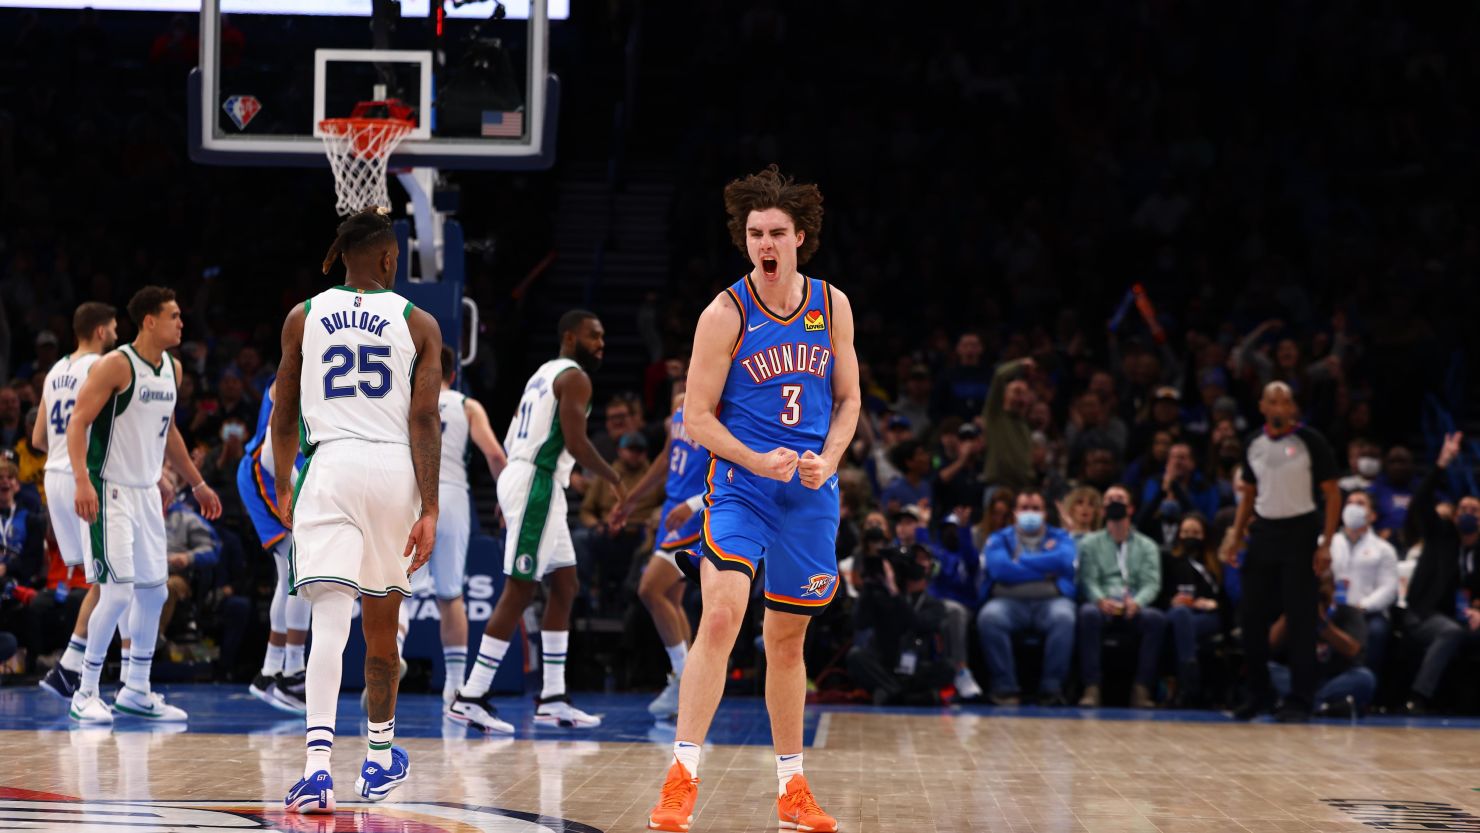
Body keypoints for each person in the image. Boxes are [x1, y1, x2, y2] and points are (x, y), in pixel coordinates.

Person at [646, 165, 857, 833]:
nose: (764, 242)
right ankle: (681, 776)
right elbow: (697, 417)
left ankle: (792, 787)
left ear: (801, 238)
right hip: (741, 487)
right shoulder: (725, 311)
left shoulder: (833, 304)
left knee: (787, 643)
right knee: (720, 615)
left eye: (776, 232)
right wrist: (752, 456)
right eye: (754, 232)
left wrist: (831, 456)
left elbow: (849, 400)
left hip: (809, 495)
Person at [271, 207, 443, 812]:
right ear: (391, 258)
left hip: (332, 465)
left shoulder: (304, 314)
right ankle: (377, 759)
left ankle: (317, 768)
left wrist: (284, 480)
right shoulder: (418, 320)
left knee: (328, 622)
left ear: (343, 258)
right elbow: (425, 418)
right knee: (380, 630)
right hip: (394, 468)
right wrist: (431, 506)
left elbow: (283, 407)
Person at [447, 310, 623, 734]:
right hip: (537, 485)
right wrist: (616, 479)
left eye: (603, 336)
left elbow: (513, 436)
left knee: (565, 584)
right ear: (570, 337)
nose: (601, 343)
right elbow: (577, 442)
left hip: (530, 482)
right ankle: (471, 696)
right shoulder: (575, 377)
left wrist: (507, 489)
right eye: (593, 335)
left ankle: (553, 697)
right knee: (520, 589)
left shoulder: (543, 373)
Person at [65, 287, 223, 723]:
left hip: (146, 492)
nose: (181, 323)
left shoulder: (172, 368)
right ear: (149, 321)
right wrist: (82, 481)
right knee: (115, 593)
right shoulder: (115, 364)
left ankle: (136, 689)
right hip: (107, 488)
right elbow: (77, 423)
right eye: (174, 316)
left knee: (153, 591)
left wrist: (197, 484)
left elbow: (168, 433)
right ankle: (85, 691)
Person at [1221, 381, 1340, 723]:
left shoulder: (1311, 442)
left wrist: (1326, 543)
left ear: (1292, 408)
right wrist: (1236, 535)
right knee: (1252, 616)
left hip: (1301, 532)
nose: (1277, 406)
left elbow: (1332, 495)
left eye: (1284, 401)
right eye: (1271, 400)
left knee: (1301, 617)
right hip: (1264, 532)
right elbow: (1248, 495)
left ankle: (1301, 699)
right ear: (1262, 406)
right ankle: (1259, 695)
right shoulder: (1253, 444)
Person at [404, 346, 508, 707]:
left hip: (413, 494)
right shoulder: (467, 406)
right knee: (451, 595)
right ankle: (454, 685)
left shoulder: (406, 401)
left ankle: (392, 660)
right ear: (454, 372)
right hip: (451, 495)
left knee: (397, 585)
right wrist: (507, 499)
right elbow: (495, 455)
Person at [35, 302, 118, 701]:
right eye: (115, 327)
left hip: (54, 476)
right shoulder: (99, 368)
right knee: (111, 580)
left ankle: (80, 671)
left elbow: (37, 438)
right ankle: (72, 673)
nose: (118, 334)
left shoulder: (54, 372)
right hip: (82, 477)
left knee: (105, 581)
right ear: (101, 331)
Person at [610, 392, 710, 720]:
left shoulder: (720, 414)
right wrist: (631, 499)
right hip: (672, 508)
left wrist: (692, 505)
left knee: (649, 590)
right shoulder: (679, 409)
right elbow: (666, 459)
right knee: (670, 598)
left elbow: (730, 475)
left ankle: (684, 679)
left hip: (692, 514)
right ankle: (689, 680)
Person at [237, 379, 311, 714]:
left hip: (275, 472)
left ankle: (271, 672)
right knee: (301, 569)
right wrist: (299, 495)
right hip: (267, 473)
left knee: (290, 574)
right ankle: (292, 672)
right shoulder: (292, 380)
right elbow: (270, 456)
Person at [1395, 432, 1480, 715]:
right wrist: (1441, 464)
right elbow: (1420, 502)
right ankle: (1418, 698)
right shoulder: (1440, 535)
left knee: (1458, 630)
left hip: (1465, 618)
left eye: (1475, 510)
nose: (1469, 514)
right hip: (1423, 614)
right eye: (1464, 509)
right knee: (1450, 632)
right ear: (1455, 516)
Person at [975, 489, 1077, 706]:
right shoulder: (998, 538)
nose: (1030, 513)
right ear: (1014, 513)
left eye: (1035, 509)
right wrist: (1046, 569)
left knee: (1064, 617)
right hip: (1009, 603)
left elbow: (1064, 561)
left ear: (1045, 513)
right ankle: (1005, 688)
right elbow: (1001, 570)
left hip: (1051, 602)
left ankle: (1051, 688)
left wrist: (1019, 563)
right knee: (989, 617)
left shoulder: (1060, 536)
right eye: (1024, 508)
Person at [1075, 485, 1166, 708]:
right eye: (1109, 500)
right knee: (1087, 613)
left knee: (1155, 619)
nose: (1115, 503)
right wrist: (1099, 600)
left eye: (1120, 499)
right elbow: (1088, 579)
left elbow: (1151, 582)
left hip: (1134, 604)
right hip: (1103, 603)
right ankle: (1091, 687)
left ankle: (1142, 688)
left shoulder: (1147, 546)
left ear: (1131, 508)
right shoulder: (1089, 543)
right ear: (1103, 510)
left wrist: (1138, 602)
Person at [845, 544, 954, 705]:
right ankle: (907, 696)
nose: (917, 564)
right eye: (915, 559)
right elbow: (859, 623)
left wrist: (895, 593)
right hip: (883, 666)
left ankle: (891, 692)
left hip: (915, 670)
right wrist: (869, 586)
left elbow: (917, 623)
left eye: (923, 560)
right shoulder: (881, 596)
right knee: (856, 656)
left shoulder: (934, 605)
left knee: (947, 668)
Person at [1268, 571, 1377, 717]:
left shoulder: (1349, 613)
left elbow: (1353, 650)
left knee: (1365, 677)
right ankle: (1325, 708)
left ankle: (1306, 704)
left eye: (1320, 587)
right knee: (1267, 669)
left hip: (1333, 680)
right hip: (1297, 679)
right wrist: (1291, 610)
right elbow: (1269, 645)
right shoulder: (1288, 611)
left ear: (1333, 588)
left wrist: (1323, 624)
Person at [1157, 512, 1223, 707]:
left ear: (1204, 535)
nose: (1190, 537)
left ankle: (1182, 684)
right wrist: (1172, 600)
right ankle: (1190, 682)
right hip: (1176, 612)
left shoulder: (1215, 564)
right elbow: (1158, 594)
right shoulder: (1169, 560)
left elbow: (1226, 598)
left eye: (1195, 532)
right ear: (1179, 535)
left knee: (1184, 624)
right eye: (1185, 532)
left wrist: (1213, 603)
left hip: (1207, 616)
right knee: (1181, 615)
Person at [1329, 490, 1398, 674]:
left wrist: (1363, 607)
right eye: (1349, 502)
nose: (1353, 507)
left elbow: (1389, 588)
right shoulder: (1326, 543)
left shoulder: (1384, 549)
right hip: (1332, 608)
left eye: (1360, 503)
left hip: (1367, 611)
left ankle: (1365, 684)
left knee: (1376, 631)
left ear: (1372, 515)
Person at [981, 357, 1036, 490]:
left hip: (1022, 488)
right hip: (999, 486)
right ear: (1004, 395)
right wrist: (1020, 365)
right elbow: (999, 376)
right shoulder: (995, 415)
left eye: (1024, 393)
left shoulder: (1025, 425)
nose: (1020, 398)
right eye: (1016, 392)